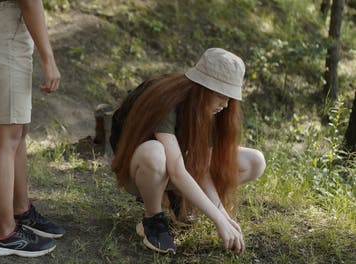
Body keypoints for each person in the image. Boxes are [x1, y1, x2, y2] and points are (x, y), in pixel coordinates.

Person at [110, 48, 266, 254]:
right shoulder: (167, 100)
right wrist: (218, 219)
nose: (225, 105)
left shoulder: (209, 111)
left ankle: (178, 201)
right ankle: (153, 220)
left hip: (174, 167)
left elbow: (202, 169)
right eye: (221, 95)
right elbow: (175, 169)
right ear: (203, 88)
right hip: (140, 169)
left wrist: (225, 218)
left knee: (255, 161)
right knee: (155, 153)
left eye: (229, 97)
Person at [0, 0, 64, 258]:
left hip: (9, 32)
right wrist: (48, 58)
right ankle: (3, 233)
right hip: (3, 33)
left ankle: (20, 211)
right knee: (6, 138)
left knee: (17, 133)